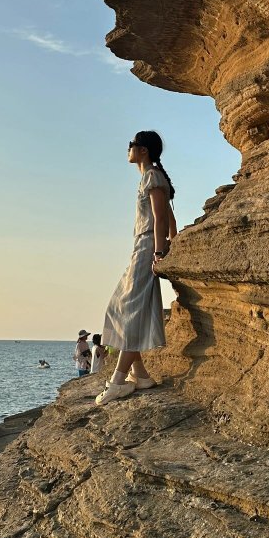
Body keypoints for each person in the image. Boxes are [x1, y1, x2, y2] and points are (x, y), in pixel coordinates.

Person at [96, 131, 177, 404]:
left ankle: (118, 380)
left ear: (143, 151)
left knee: (130, 311)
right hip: (140, 247)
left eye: (131, 145)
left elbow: (160, 218)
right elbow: (168, 216)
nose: (128, 148)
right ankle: (140, 375)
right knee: (119, 308)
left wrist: (159, 252)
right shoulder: (149, 177)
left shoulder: (153, 176)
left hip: (146, 248)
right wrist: (172, 242)